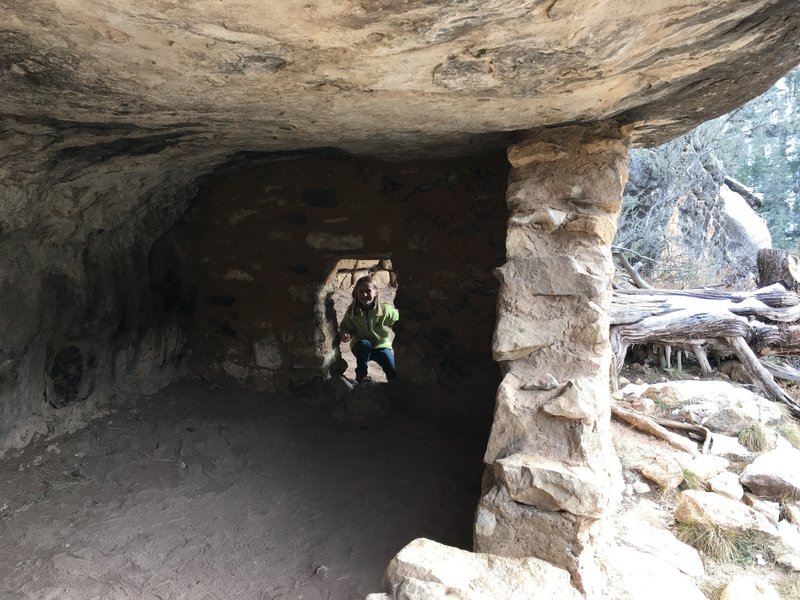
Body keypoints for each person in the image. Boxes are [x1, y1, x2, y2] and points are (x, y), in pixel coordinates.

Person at [338, 275, 399, 383]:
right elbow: (344, 327)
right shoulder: (352, 312)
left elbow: (397, 321)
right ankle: (361, 376)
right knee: (364, 344)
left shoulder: (384, 309)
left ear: (376, 292)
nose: (364, 294)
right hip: (360, 347)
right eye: (360, 291)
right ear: (356, 293)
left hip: (381, 345)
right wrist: (345, 333)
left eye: (368, 291)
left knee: (392, 371)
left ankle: (394, 386)